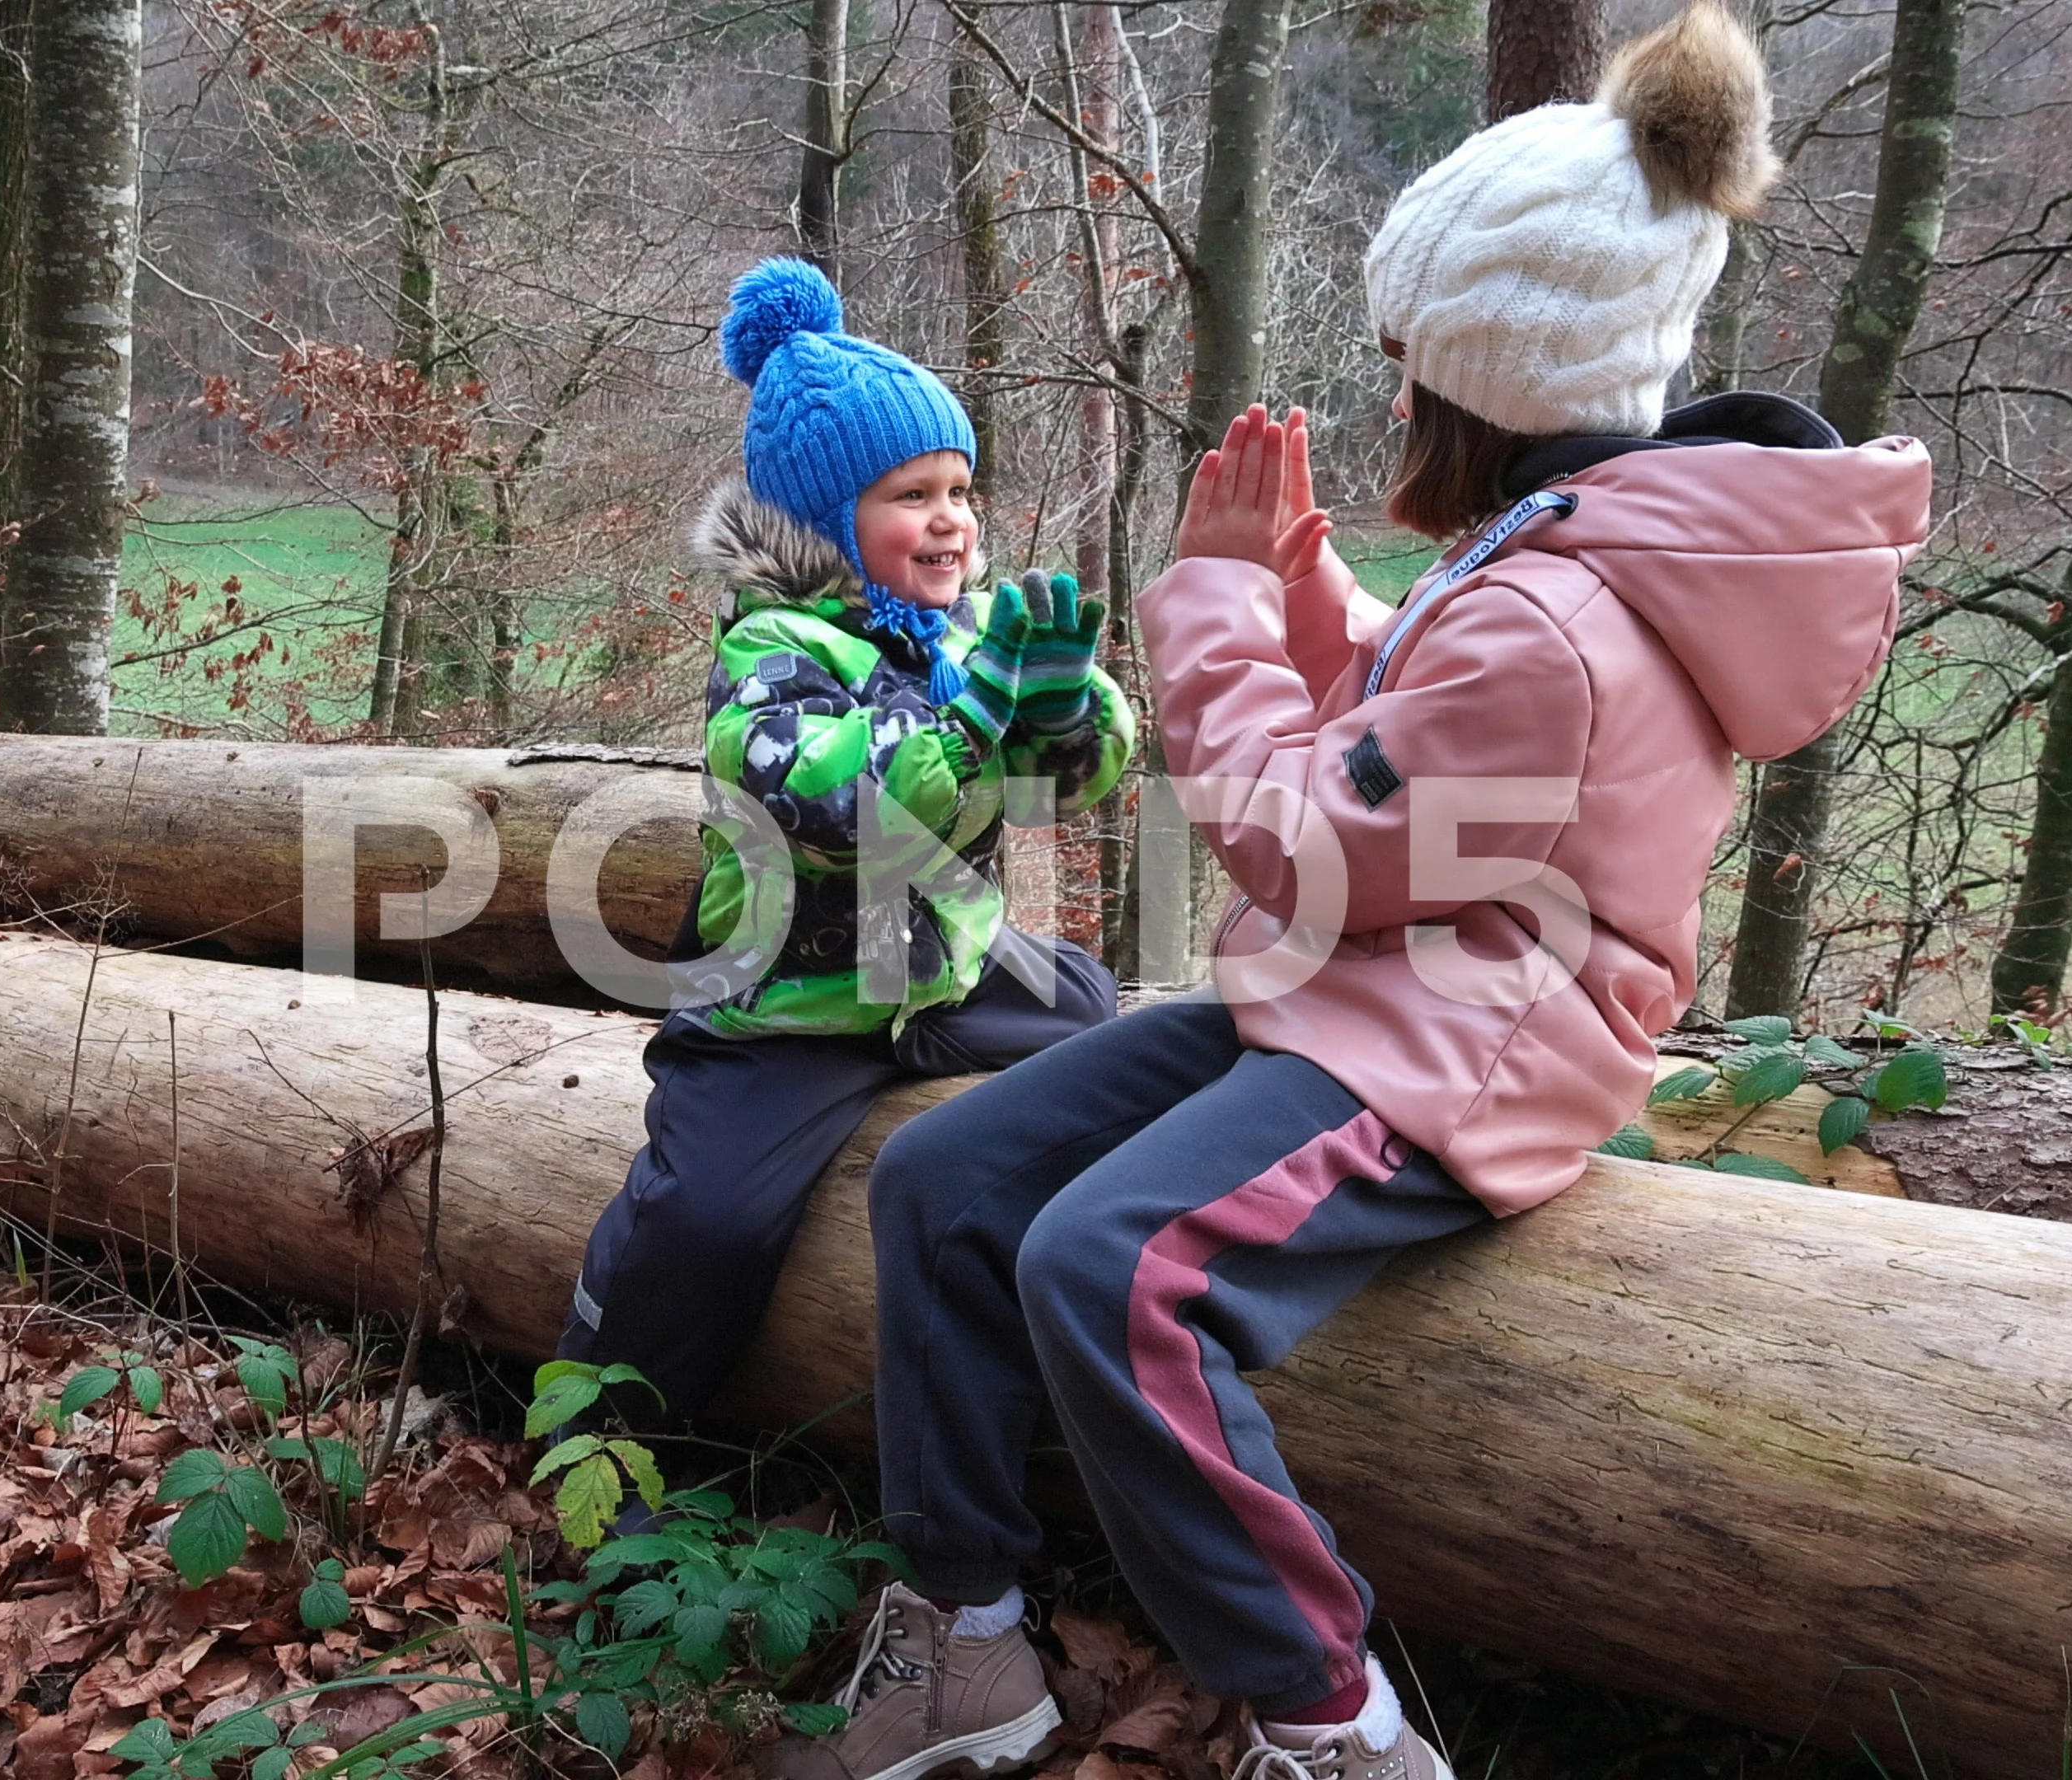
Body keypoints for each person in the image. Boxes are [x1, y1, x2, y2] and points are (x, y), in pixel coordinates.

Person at [771, 8, 1934, 1780]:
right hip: (1363, 984)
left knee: (1119, 1263)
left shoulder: (1563, 613)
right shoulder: (1562, 546)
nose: (1395, 396)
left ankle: (1334, 1720)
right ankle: (972, 1642)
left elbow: (1305, 835)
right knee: (946, 1174)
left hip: (1471, 1040)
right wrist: (1308, 588)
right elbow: (1412, 708)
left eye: (1413, 366)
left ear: (1488, 380)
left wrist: (1218, 608)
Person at [556, 257, 1135, 1424]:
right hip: (786, 1012)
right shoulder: (774, 653)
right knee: (705, 1218)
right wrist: (977, 720)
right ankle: (602, 1419)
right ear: (828, 519)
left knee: (1092, 1019)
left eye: (962, 489)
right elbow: (837, 809)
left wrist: (1071, 712)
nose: (953, 520)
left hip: (939, 973)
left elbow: (1056, 784)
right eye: (912, 494)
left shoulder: (972, 629)